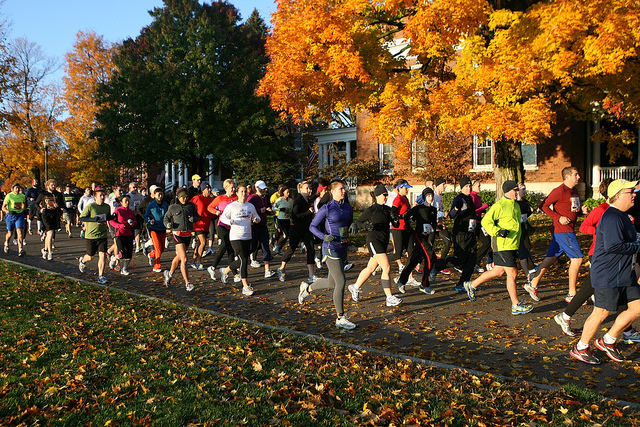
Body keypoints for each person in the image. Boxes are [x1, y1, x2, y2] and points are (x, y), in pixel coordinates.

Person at [569, 179, 640, 365]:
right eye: (630, 191)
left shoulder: (623, 215)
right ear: (617, 196)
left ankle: (608, 341)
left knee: (637, 307)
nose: (634, 194)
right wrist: (637, 245)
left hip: (624, 272)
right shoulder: (612, 217)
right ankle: (581, 347)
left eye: (634, 191)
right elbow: (613, 245)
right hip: (608, 273)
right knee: (602, 312)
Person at [463, 181, 534, 315]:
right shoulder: (499, 206)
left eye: (518, 190)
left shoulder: (516, 206)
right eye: (515, 190)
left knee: (498, 272)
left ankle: (471, 285)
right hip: (502, 245)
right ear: (508, 191)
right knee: (512, 273)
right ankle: (515, 305)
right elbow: (485, 221)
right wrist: (497, 231)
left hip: (513, 244)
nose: (517, 192)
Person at [525, 167, 588, 302]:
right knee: (577, 259)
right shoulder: (559, 191)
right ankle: (572, 294)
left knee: (551, 258)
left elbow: (572, 209)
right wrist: (558, 218)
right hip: (562, 230)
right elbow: (543, 206)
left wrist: (581, 212)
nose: (579, 177)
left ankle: (533, 283)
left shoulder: (574, 191)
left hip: (567, 229)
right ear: (567, 176)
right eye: (576, 175)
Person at [298, 180, 355, 329]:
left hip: (343, 247)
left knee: (331, 283)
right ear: (333, 191)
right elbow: (312, 226)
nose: (344, 191)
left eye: (344, 189)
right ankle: (340, 317)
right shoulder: (327, 208)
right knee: (341, 282)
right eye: (341, 189)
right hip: (330, 248)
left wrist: (354, 226)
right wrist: (324, 236)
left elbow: (348, 224)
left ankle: (307, 289)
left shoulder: (348, 207)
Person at [347, 185, 403, 306]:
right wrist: (367, 227)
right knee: (386, 267)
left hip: (383, 241)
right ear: (377, 196)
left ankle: (355, 287)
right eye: (384, 195)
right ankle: (389, 298)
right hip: (373, 240)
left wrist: (395, 219)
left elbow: (396, 225)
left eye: (387, 195)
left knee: (370, 268)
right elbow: (358, 222)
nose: (386, 197)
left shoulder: (388, 210)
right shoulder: (371, 210)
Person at [396, 187, 445, 296]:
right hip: (419, 236)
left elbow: (432, 224)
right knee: (430, 257)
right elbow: (407, 217)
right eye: (428, 196)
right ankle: (424, 284)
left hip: (427, 237)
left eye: (432, 196)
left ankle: (402, 280)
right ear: (424, 197)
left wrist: (437, 228)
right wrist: (411, 230)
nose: (430, 198)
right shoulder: (418, 209)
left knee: (415, 260)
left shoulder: (433, 210)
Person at [218, 185, 261, 296]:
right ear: (237, 193)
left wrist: (256, 219)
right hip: (236, 236)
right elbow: (223, 217)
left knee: (243, 260)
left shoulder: (250, 206)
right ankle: (245, 286)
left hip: (247, 236)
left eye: (245, 192)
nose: (243, 194)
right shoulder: (232, 206)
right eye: (241, 191)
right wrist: (230, 222)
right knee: (243, 260)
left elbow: (257, 216)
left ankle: (225, 270)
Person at [277, 181, 316, 283]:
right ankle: (281, 268)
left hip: (307, 229)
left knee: (311, 249)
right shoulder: (298, 201)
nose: (309, 190)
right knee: (291, 249)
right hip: (297, 229)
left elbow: (308, 215)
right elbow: (295, 216)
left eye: (310, 188)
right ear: (301, 190)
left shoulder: (309, 200)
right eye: (307, 188)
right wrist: (309, 212)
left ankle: (311, 275)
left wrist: (312, 215)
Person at [163, 188, 199, 291]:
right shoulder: (173, 207)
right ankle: (187, 283)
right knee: (184, 259)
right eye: (182, 197)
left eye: (186, 197)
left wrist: (193, 219)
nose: (185, 199)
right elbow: (166, 218)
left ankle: (169, 274)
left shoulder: (191, 206)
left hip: (187, 234)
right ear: (178, 197)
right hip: (177, 234)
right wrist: (168, 224)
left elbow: (197, 216)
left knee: (179, 257)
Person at [448, 176, 478, 292]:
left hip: (470, 233)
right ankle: (438, 265)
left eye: (470, 186)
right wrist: (456, 209)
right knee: (460, 259)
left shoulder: (470, 199)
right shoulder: (459, 199)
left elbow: (472, 215)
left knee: (472, 258)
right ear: (462, 188)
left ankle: (462, 283)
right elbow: (451, 215)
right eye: (466, 186)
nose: (468, 188)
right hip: (460, 233)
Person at [78, 186, 112, 284]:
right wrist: (93, 219)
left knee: (102, 255)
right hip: (91, 235)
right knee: (91, 256)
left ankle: (101, 276)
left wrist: (113, 217)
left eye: (103, 195)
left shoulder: (107, 207)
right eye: (100, 195)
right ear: (95, 197)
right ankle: (83, 261)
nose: (102, 197)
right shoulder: (90, 207)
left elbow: (107, 217)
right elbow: (82, 218)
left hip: (102, 235)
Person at [206, 179, 238, 281]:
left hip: (233, 226)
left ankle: (216, 268)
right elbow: (209, 207)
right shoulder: (220, 198)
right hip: (222, 225)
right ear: (226, 188)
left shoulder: (236, 198)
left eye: (234, 187)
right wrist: (216, 212)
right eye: (231, 187)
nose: (233, 189)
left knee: (230, 248)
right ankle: (215, 267)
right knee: (226, 244)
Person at [247, 180, 275, 278]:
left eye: (265, 189)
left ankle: (267, 270)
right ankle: (238, 264)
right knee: (252, 247)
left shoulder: (265, 198)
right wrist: (259, 210)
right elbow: (247, 209)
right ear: (257, 188)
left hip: (263, 224)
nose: (264, 191)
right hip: (254, 225)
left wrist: (269, 212)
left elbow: (265, 210)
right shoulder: (252, 198)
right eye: (262, 189)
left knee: (265, 246)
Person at [387, 180, 414, 275]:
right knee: (397, 254)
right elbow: (391, 213)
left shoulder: (405, 198)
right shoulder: (398, 199)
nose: (407, 190)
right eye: (405, 188)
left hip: (407, 228)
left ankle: (407, 275)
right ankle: (379, 261)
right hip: (398, 229)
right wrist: (401, 217)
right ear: (400, 188)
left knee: (411, 252)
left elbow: (408, 211)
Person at [35, 179, 64, 261]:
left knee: (49, 234)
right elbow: (36, 203)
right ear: (48, 186)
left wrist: (58, 205)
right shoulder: (43, 194)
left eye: (55, 185)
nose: (54, 186)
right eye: (52, 185)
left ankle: (44, 249)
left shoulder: (58, 194)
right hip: (46, 215)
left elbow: (63, 204)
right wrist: (40, 209)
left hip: (55, 215)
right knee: (50, 232)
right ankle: (50, 252)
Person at [109, 194, 137, 276]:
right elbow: (111, 221)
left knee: (129, 253)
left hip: (129, 234)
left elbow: (135, 221)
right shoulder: (118, 211)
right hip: (119, 234)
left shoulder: (131, 212)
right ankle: (114, 258)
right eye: (125, 201)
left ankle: (124, 268)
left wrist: (133, 223)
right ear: (121, 202)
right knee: (121, 254)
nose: (127, 202)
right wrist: (119, 225)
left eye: (128, 200)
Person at [190, 184, 214, 270]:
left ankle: (193, 260)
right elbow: (189, 206)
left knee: (200, 244)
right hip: (198, 224)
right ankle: (199, 262)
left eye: (209, 188)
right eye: (207, 189)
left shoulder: (212, 199)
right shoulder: (197, 198)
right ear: (203, 190)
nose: (209, 190)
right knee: (203, 242)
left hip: (207, 224)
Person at [2, 183, 27, 257]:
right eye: (16, 188)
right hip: (10, 215)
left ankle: (20, 249)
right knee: (10, 233)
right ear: (12, 189)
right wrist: (8, 211)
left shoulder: (22, 196)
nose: (18, 189)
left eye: (19, 188)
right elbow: (3, 207)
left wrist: (23, 209)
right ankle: (6, 242)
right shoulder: (9, 196)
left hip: (19, 215)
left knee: (20, 232)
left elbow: (24, 205)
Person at [471, 180, 491, 272]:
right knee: (473, 245)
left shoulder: (478, 197)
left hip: (480, 223)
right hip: (473, 223)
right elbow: (472, 212)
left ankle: (475, 261)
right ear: (473, 186)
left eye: (480, 186)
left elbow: (478, 210)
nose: (480, 187)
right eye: (478, 186)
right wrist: (483, 207)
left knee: (487, 243)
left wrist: (483, 211)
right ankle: (473, 263)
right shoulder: (472, 196)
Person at [272, 187, 293, 255]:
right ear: (283, 192)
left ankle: (280, 248)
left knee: (287, 235)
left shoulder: (290, 200)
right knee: (285, 234)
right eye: (287, 192)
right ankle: (277, 246)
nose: (288, 193)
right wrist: (280, 209)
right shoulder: (280, 200)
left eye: (289, 192)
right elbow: (273, 208)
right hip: (281, 219)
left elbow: (291, 210)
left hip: (287, 219)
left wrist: (289, 213)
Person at [126, 182, 144, 253]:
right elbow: (125, 206)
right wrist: (133, 208)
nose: (135, 189)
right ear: (130, 188)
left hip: (137, 215)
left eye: (136, 187)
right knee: (130, 232)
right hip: (129, 215)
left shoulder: (139, 195)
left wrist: (139, 208)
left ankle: (137, 246)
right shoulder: (128, 196)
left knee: (138, 231)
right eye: (134, 187)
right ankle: (128, 246)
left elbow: (142, 203)